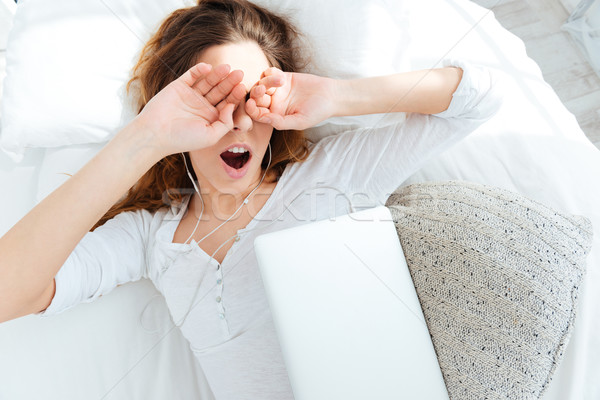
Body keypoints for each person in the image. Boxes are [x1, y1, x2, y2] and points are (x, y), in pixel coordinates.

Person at [0, 0, 503, 398]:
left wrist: (340, 97)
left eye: (255, 101)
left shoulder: (332, 175)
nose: (238, 122)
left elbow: (481, 95)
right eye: (216, 102)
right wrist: (144, 137)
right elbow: (9, 293)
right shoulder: (152, 236)